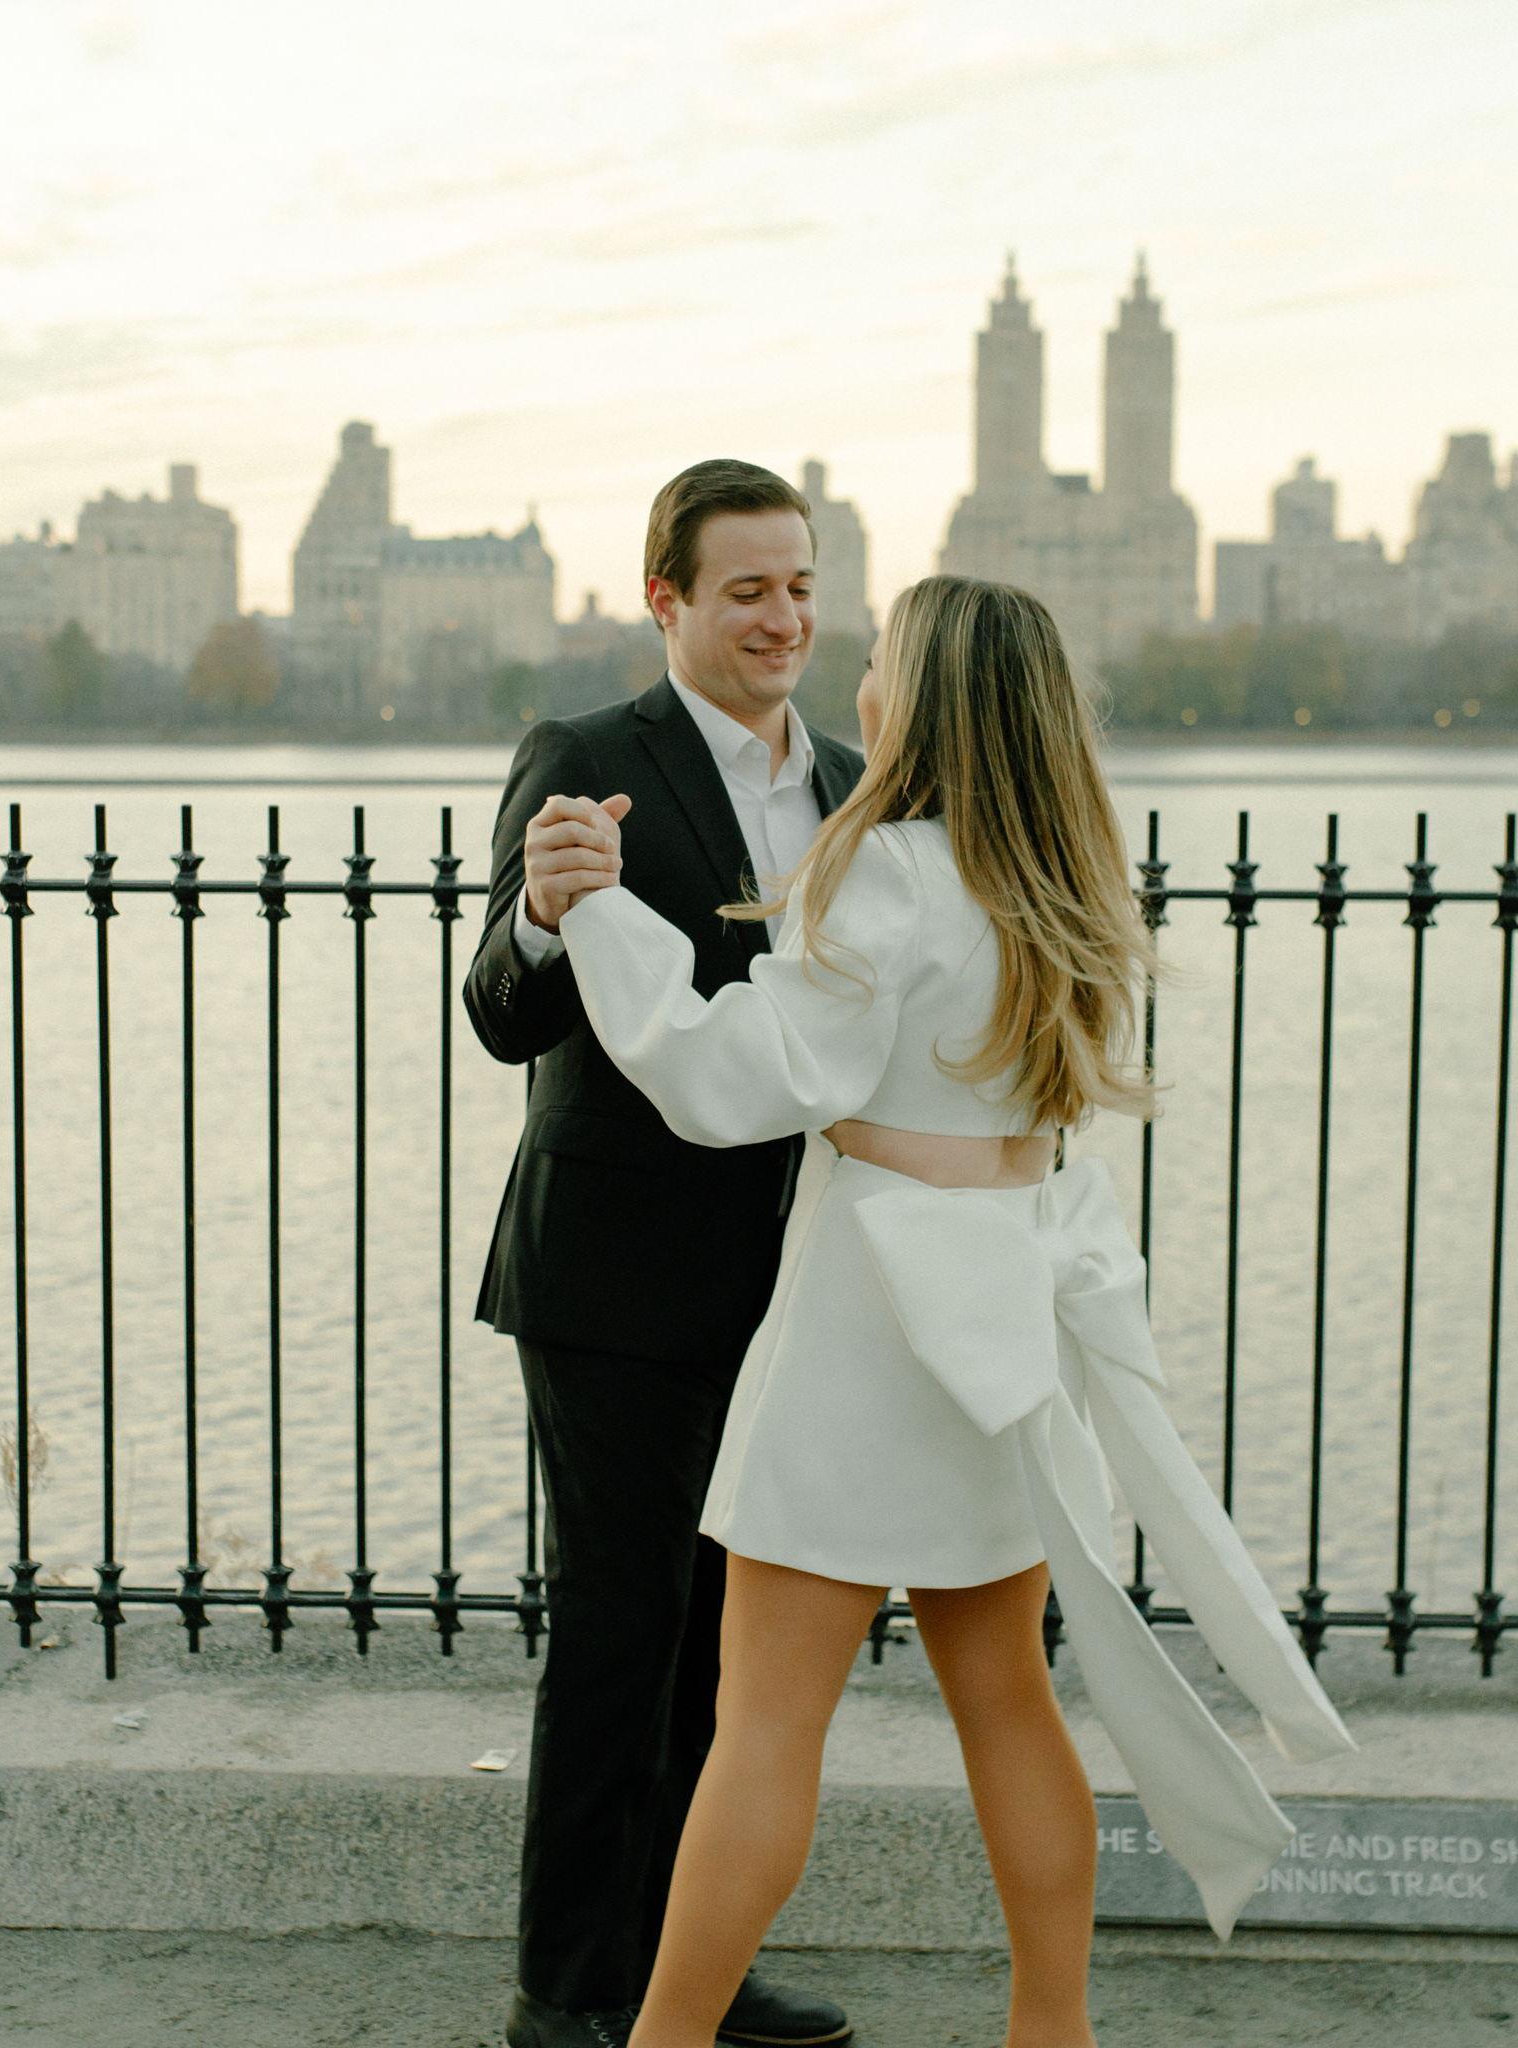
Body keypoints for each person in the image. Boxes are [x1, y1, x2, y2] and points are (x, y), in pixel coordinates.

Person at [540, 574, 1360, 2048]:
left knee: (766, 1723)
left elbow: (735, 1077)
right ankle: (1054, 2030)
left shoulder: (885, 868)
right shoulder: (1071, 882)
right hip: (1006, 1314)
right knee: (1007, 1700)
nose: (857, 683)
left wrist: (601, 913)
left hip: (869, 1322)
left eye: (883, 663)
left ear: (920, 699)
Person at [463, 459, 864, 2048]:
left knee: (731, 1654)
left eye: (800, 586)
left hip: (795, 1287)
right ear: (667, 600)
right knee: (620, 1640)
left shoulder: (856, 782)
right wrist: (543, 915)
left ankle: (696, 1967)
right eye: (747, 589)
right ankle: (567, 1997)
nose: (783, 618)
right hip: (611, 1284)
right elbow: (501, 1013)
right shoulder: (586, 758)